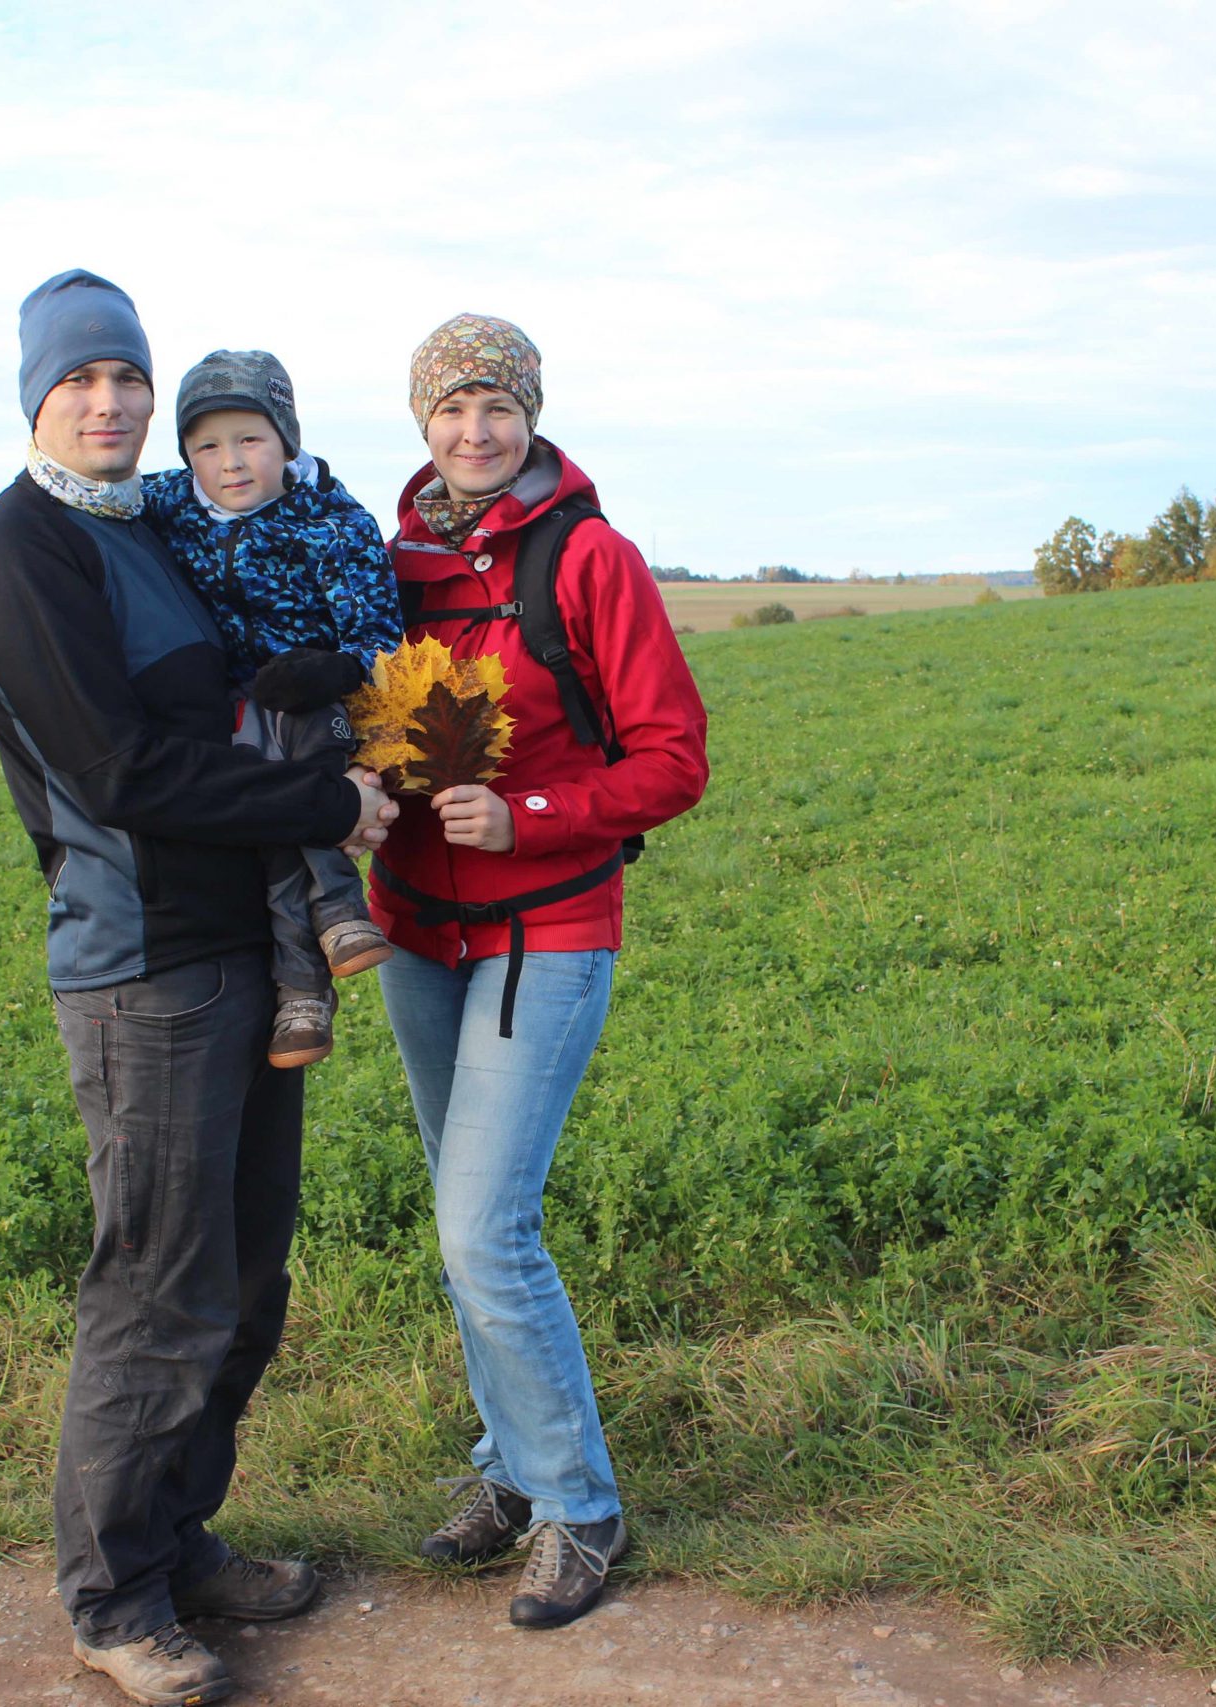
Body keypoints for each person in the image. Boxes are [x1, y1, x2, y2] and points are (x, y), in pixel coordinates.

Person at [0, 268, 397, 1707]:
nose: (111, 402)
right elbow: (117, 770)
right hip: (145, 969)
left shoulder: (148, 530)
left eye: (128, 379)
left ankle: (178, 1534)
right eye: (82, 380)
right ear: (36, 394)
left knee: (243, 1276)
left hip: (235, 954)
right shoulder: (21, 552)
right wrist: (325, 801)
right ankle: (113, 1593)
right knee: (157, 1282)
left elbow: (237, 687)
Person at [369, 313, 709, 1630]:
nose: (475, 431)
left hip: (546, 927)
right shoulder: (390, 563)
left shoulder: (589, 557)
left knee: (482, 1223)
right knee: (463, 1223)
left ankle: (580, 1502)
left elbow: (673, 758)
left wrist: (537, 817)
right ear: (422, 426)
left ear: (532, 414)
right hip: (416, 932)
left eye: (497, 406)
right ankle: (507, 1468)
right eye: (451, 409)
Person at [140, 349, 403, 1070]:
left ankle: (331, 940)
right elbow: (98, 504)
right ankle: (310, 975)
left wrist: (336, 667)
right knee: (267, 828)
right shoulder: (169, 506)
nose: (230, 462)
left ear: (286, 438)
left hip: (321, 707)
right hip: (235, 711)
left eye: (250, 438)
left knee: (303, 795)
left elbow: (379, 633)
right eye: (207, 445)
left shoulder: (334, 520)